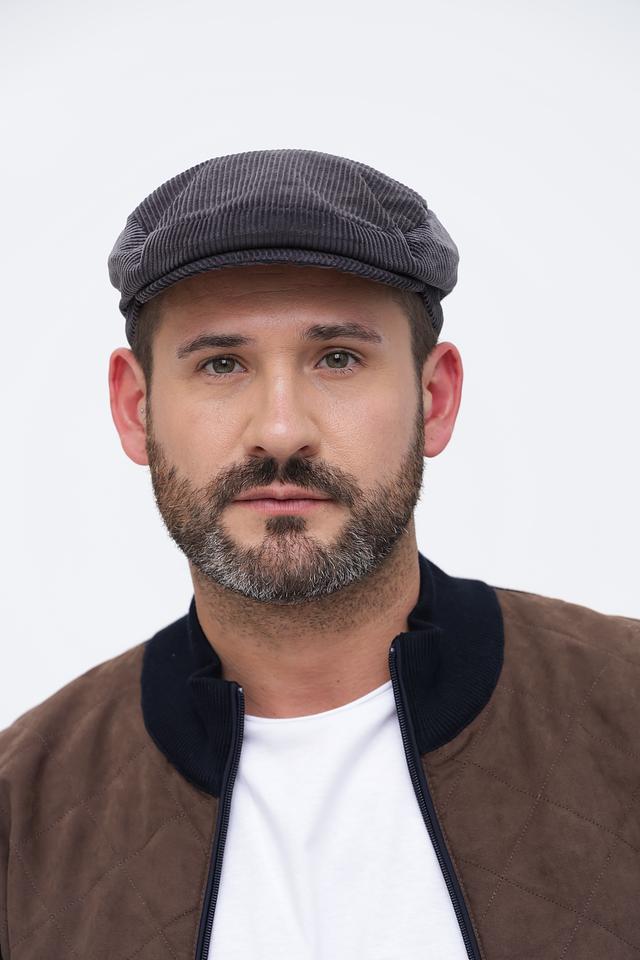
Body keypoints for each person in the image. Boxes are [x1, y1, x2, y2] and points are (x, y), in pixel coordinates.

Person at [0, 150, 638, 960]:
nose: (280, 430)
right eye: (221, 364)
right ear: (136, 409)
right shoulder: (22, 812)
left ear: (435, 399)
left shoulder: (626, 709)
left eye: (338, 358)